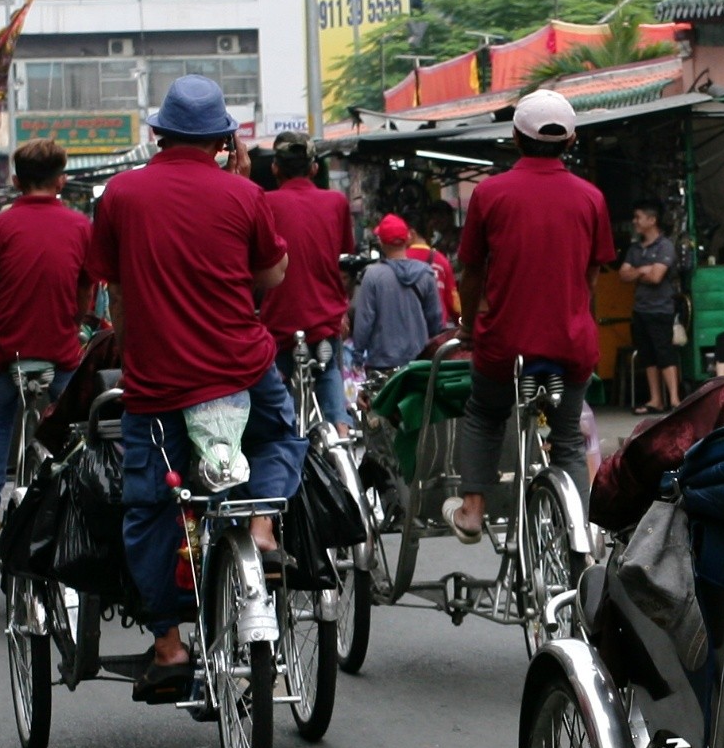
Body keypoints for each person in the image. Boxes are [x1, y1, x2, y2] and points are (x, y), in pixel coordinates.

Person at [85, 77, 297, 704]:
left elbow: (114, 289)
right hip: (242, 368)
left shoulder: (121, 194)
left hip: (158, 382)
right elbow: (273, 272)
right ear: (224, 140)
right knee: (281, 436)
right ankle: (261, 523)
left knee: (150, 506)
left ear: (158, 134)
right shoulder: (245, 193)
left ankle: (169, 645)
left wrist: (131, 342)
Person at [448, 91, 615, 541]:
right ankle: (579, 531)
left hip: (506, 344)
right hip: (571, 345)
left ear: (515, 138)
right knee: (567, 441)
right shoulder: (591, 197)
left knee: (484, 413)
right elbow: (592, 277)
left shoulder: (489, 193)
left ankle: (472, 510)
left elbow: (472, 272)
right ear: (571, 139)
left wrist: (467, 326)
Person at [0, 143, 96, 535]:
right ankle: (80, 494)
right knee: (79, 423)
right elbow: (85, 291)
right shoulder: (80, 226)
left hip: (5, 351)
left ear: (15, 181)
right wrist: (75, 323)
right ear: (61, 180)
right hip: (60, 352)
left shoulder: (0, 227)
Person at [259, 136, 356, 432]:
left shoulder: (264, 203)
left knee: (277, 416)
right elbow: (342, 257)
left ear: (276, 168)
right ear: (314, 169)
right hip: (324, 324)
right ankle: (344, 450)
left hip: (278, 327)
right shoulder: (336, 202)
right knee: (331, 389)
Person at [347, 214, 443, 382]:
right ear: (407, 240)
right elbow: (435, 318)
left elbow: (364, 320)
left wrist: (358, 354)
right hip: (419, 363)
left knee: (383, 407)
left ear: (382, 243)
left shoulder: (372, 275)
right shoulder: (425, 274)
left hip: (382, 364)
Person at [622, 203, 687, 411]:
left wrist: (638, 272)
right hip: (640, 308)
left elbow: (657, 276)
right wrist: (643, 270)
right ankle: (655, 400)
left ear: (652, 220)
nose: (635, 221)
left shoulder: (665, 246)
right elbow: (623, 275)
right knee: (647, 355)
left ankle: (675, 399)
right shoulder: (635, 248)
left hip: (661, 309)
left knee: (664, 353)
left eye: (638, 217)